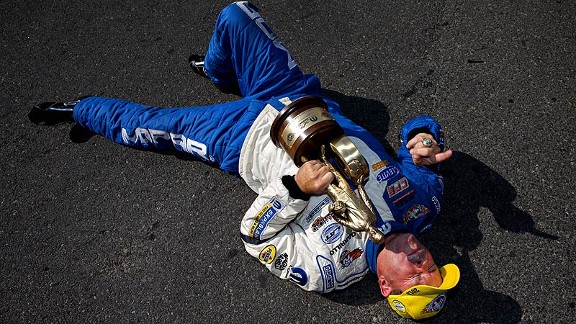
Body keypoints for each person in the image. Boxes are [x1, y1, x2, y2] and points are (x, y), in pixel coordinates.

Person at [29, 1, 459, 320]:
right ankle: (220, 72)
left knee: (150, 126)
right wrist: (421, 137)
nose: (424, 261)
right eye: (433, 266)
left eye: (417, 277)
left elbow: (255, 236)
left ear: (386, 286)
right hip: (304, 99)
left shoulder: (328, 270)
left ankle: (81, 108)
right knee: (236, 13)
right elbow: (418, 149)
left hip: (244, 134)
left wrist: (295, 189)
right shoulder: (421, 207)